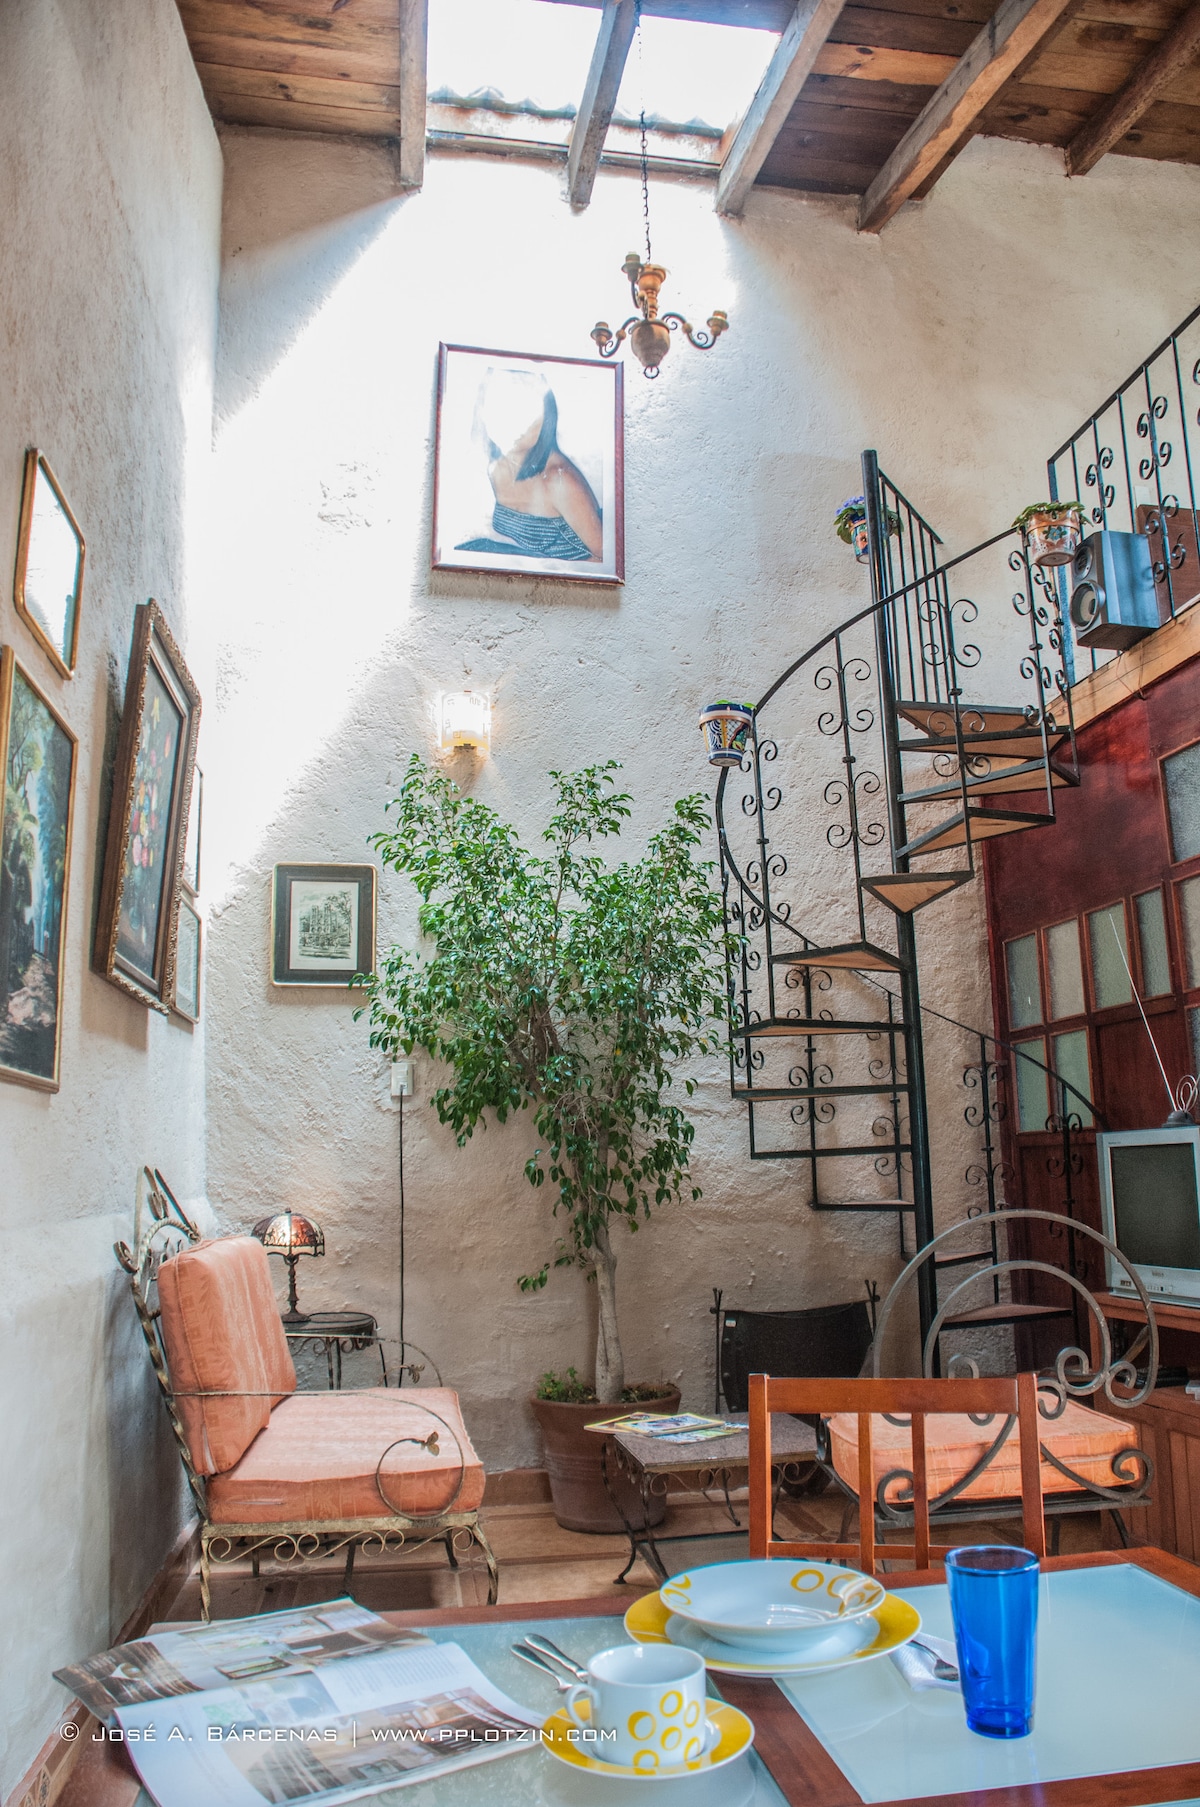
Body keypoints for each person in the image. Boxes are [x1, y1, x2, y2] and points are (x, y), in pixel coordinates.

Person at [455, 368, 603, 563]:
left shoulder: (559, 479)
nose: (517, 423)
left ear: (546, 414)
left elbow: (605, 561)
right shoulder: (492, 466)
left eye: (527, 410)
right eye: (503, 409)